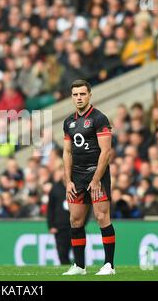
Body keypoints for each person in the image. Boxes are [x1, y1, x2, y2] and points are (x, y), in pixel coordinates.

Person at [62, 79, 116, 275]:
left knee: (102, 217)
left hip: (97, 174)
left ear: (90, 95)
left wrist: (96, 179)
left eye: (82, 94)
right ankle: (79, 266)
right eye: (75, 94)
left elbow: (106, 152)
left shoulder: (99, 119)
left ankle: (109, 265)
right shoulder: (68, 122)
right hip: (77, 176)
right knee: (75, 220)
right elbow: (67, 153)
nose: (79, 98)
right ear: (71, 97)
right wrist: (68, 181)